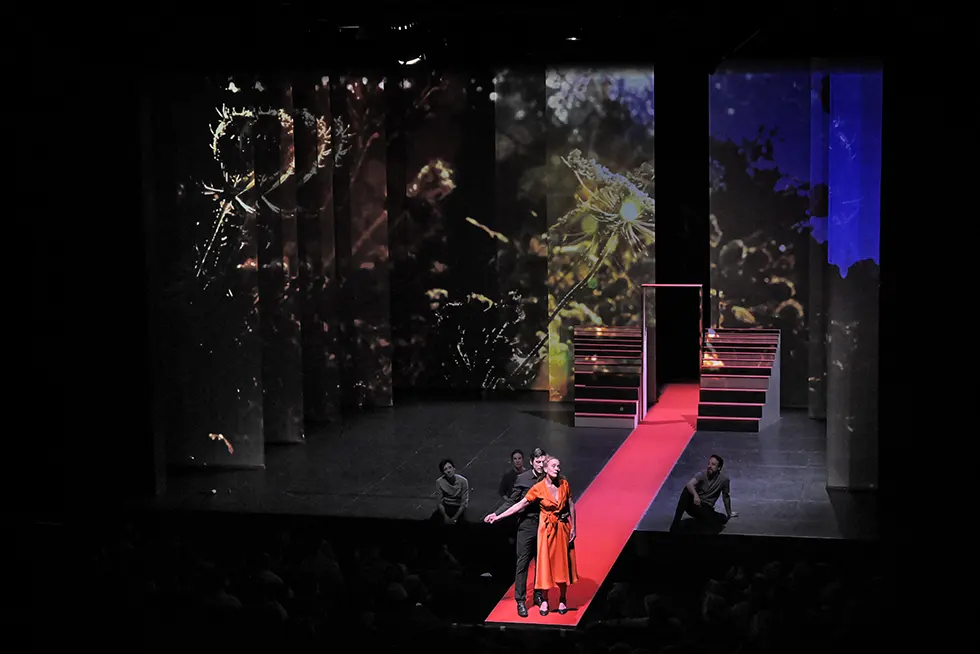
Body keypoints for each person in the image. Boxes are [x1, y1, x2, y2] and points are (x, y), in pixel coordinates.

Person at [487, 456, 578, 616]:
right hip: (546, 530)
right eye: (554, 465)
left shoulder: (564, 484)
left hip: (562, 528)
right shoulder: (538, 488)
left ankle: (563, 598)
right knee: (544, 564)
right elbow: (519, 504)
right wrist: (498, 516)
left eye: (559, 466)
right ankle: (543, 600)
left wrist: (574, 527)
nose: (557, 468)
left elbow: (571, 505)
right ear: (546, 468)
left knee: (562, 563)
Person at [484, 447, 547, 617]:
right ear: (532, 462)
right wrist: (496, 514)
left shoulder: (549, 477)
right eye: (538, 462)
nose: (541, 465)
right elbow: (512, 502)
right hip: (527, 525)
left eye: (543, 461)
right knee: (523, 563)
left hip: (545, 525)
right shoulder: (523, 479)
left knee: (542, 563)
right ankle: (520, 600)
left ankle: (539, 595)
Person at [669, 454, 738, 532]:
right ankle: (675, 523)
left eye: (713, 464)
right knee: (686, 491)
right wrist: (695, 495)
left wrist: (729, 512)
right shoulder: (702, 474)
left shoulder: (724, 480)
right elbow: (689, 484)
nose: (709, 466)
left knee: (721, 519)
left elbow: (726, 497)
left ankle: (703, 520)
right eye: (709, 463)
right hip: (695, 504)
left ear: (719, 468)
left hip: (706, 507)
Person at [434, 459, 469, 525]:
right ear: (443, 472)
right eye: (445, 469)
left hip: (458, 508)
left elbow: (464, 503)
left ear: (454, 468)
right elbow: (440, 503)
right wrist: (445, 516)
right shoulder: (439, 482)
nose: (449, 471)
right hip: (446, 507)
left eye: (450, 467)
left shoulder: (463, 481)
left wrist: (455, 518)